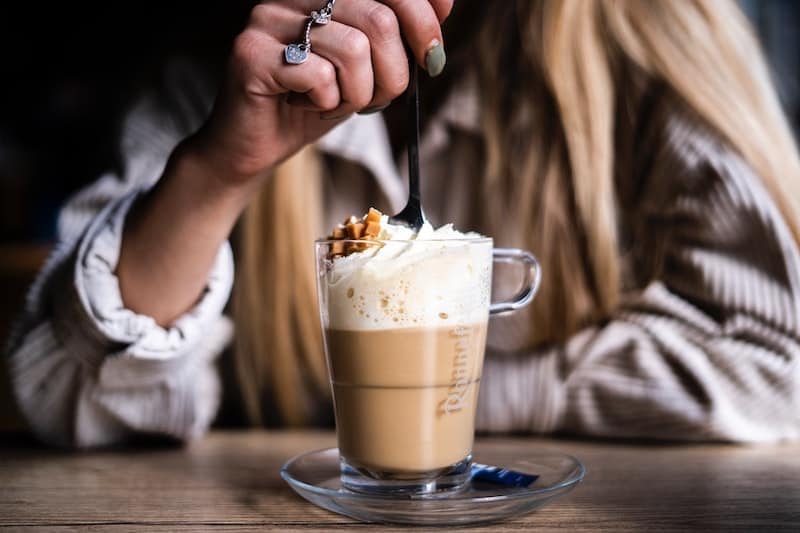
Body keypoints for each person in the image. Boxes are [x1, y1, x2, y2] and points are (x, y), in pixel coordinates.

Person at [6, 0, 800, 447]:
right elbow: (65, 395)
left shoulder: (647, 36)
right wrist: (218, 172)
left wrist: (444, 393)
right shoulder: (221, 67)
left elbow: (774, 362)